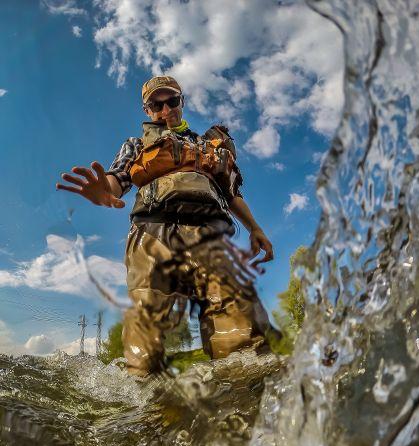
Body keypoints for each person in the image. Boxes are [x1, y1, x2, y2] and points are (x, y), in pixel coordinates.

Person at [57, 75, 275, 376]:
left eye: (172, 101)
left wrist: (255, 228)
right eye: (156, 105)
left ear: (181, 102)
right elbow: (117, 178)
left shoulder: (207, 145)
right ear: (147, 110)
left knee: (240, 328)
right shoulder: (136, 144)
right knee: (145, 340)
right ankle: (142, 397)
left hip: (210, 236)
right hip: (151, 234)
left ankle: (244, 392)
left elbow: (231, 195)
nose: (166, 110)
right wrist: (104, 190)